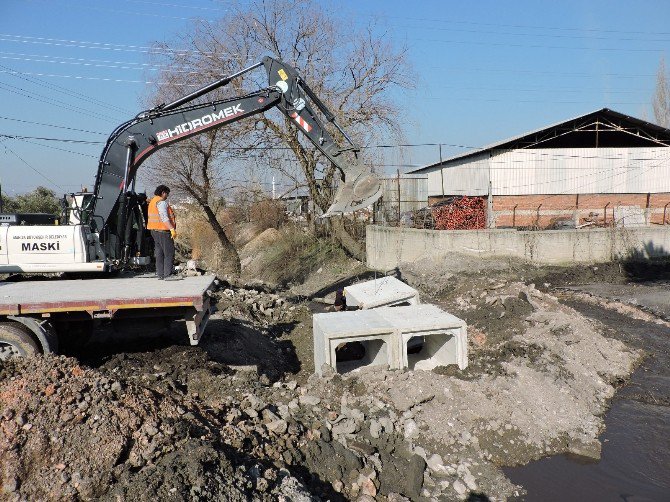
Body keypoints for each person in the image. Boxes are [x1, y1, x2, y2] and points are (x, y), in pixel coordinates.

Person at [147, 185, 181, 281]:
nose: (167, 196)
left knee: (159, 253)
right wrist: (171, 229)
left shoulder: (153, 201)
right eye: (167, 193)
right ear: (163, 192)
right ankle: (168, 274)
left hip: (154, 231)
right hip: (163, 231)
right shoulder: (161, 203)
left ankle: (160, 274)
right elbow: (164, 217)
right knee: (169, 252)